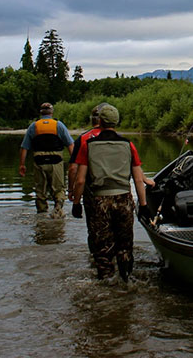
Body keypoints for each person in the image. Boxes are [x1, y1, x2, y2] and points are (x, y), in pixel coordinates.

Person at [70, 103, 151, 281]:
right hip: (123, 200)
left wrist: (76, 203)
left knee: (103, 250)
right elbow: (138, 179)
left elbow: (81, 179)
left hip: (99, 202)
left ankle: (106, 285)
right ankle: (127, 280)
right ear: (117, 122)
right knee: (125, 246)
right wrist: (143, 205)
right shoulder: (128, 145)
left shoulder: (88, 145)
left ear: (99, 121)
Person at [19, 102, 75, 218]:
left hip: (39, 162)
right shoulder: (58, 125)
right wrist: (74, 162)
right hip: (56, 162)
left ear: (41, 113)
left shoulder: (33, 126)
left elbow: (24, 147)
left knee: (40, 191)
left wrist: (22, 164)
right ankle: (58, 209)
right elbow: (70, 145)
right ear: (51, 112)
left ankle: (41, 214)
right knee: (59, 189)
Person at [68, 102, 108, 253]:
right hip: (117, 191)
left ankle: (97, 260)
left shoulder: (83, 139)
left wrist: (72, 192)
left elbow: (73, 169)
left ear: (92, 119)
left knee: (95, 230)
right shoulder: (120, 139)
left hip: (92, 192)